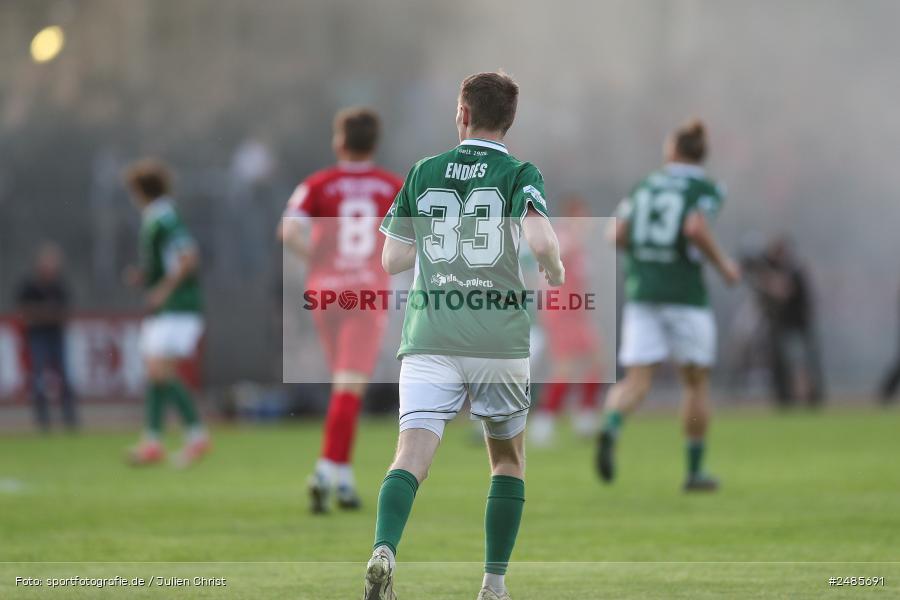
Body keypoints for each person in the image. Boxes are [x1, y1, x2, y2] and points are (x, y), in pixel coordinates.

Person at [363, 71, 565, 600]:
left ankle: (385, 548)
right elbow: (541, 240)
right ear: (509, 120)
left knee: (410, 456)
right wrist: (557, 268)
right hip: (497, 341)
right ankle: (493, 584)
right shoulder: (520, 172)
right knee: (506, 460)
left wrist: (437, 245)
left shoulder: (423, 171)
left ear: (462, 113)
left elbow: (391, 259)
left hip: (431, 335)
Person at [596, 119, 740, 492]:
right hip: (685, 296)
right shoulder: (705, 187)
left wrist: (647, 257)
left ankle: (612, 426)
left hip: (643, 291)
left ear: (673, 150)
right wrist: (724, 265)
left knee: (637, 381)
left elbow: (615, 233)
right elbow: (694, 228)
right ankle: (693, 473)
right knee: (694, 383)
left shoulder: (646, 185)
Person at [278, 108, 403, 513]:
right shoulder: (391, 186)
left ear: (339, 142)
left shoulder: (319, 184)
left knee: (343, 388)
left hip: (325, 293)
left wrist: (315, 257)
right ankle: (323, 471)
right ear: (375, 143)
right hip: (365, 295)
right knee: (350, 388)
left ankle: (344, 481)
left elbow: (288, 230)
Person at [123, 159, 210, 467]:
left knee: (160, 371)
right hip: (170, 308)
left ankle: (196, 436)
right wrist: (148, 277)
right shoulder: (157, 217)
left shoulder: (164, 217)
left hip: (179, 306)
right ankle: (154, 440)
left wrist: (164, 289)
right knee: (155, 372)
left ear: (140, 190)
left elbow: (188, 256)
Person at [529, 194, 605, 446]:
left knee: (595, 360)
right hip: (561, 312)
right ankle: (544, 422)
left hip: (575, 313)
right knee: (566, 366)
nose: (587, 220)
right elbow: (548, 267)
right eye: (582, 215)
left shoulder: (577, 243)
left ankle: (585, 416)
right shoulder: (563, 238)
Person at [749, 236, 824, 407]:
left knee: (801, 364)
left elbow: (783, 290)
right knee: (784, 364)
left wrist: (765, 280)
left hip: (799, 326)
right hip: (785, 326)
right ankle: (786, 399)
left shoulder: (794, 270)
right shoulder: (780, 269)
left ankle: (812, 399)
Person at [16, 243, 77, 431]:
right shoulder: (30, 286)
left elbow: (65, 312)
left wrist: (43, 314)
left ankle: (70, 420)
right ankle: (43, 421)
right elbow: (25, 313)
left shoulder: (59, 285)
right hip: (38, 336)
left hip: (56, 335)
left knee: (65, 376)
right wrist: (46, 314)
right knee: (39, 377)